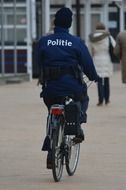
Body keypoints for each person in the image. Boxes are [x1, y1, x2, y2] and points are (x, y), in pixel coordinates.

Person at [37, 7, 99, 169]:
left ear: (55, 22)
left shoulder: (44, 41)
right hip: (73, 89)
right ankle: (77, 123)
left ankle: (51, 143)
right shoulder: (76, 42)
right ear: (69, 24)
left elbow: (38, 64)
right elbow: (87, 65)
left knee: (51, 110)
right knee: (83, 98)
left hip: (50, 90)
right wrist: (94, 76)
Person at [89, 22, 114, 106]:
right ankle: (107, 99)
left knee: (99, 80)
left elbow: (90, 49)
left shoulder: (92, 37)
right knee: (106, 80)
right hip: (106, 59)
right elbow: (114, 46)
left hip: (96, 59)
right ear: (104, 28)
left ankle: (100, 100)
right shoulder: (108, 36)